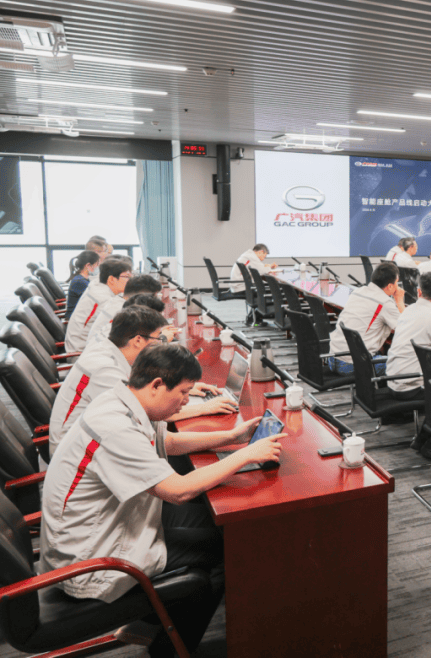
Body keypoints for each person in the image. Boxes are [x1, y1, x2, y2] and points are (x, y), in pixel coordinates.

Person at [39, 344, 284, 658]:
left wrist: (232, 437)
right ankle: (168, 647)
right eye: (183, 392)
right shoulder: (114, 427)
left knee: (222, 530)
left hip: (109, 526)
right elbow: (178, 490)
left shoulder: (120, 400)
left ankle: (151, 622)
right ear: (156, 385)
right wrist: (246, 455)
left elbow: (168, 441)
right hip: (92, 559)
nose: (186, 401)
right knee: (229, 552)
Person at [49, 306, 235, 453]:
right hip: (80, 448)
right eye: (158, 338)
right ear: (138, 340)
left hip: (91, 442)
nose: (161, 343)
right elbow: (147, 411)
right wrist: (204, 408)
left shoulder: (111, 352)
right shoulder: (105, 370)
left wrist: (179, 386)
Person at [327, 262, 406, 376]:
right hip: (353, 365)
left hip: (332, 358)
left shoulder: (358, 292)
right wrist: (399, 300)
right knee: (405, 363)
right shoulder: (384, 303)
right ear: (390, 286)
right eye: (397, 283)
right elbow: (405, 327)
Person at [65, 256, 132, 353]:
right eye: (127, 277)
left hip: (81, 345)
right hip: (81, 352)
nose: (130, 280)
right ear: (111, 279)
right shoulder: (104, 300)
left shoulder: (97, 285)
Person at [84, 273, 161, 345]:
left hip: (97, 347)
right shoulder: (123, 310)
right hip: (101, 350)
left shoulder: (118, 300)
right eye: (154, 297)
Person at [66, 249, 101, 320]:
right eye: (97, 264)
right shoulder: (80, 282)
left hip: (81, 315)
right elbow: (97, 299)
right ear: (88, 265)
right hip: (76, 319)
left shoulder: (82, 278)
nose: (98, 267)